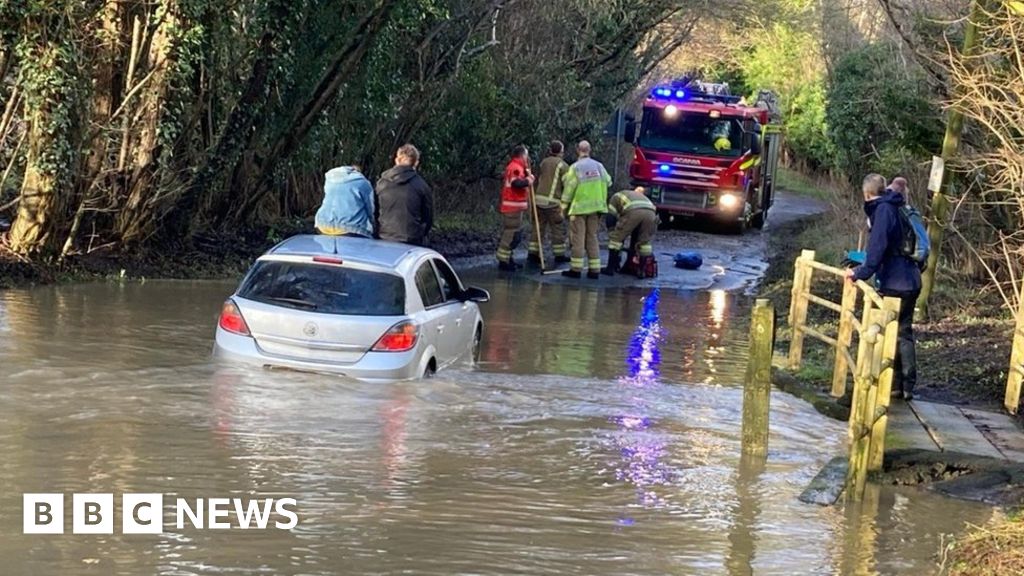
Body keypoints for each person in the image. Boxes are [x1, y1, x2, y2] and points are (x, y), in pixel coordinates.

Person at [846, 173, 921, 400]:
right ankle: (904, 386)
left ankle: (888, 382)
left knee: (888, 331)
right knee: (903, 332)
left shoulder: (883, 211)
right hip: (911, 278)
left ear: (867, 193)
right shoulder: (896, 206)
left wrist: (858, 273)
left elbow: (877, 248)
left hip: (894, 281)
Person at [561, 140, 611, 279]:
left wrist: (563, 207)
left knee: (578, 238)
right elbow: (609, 181)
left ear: (578, 150)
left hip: (580, 209)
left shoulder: (576, 168)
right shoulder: (599, 166)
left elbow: (569, 189)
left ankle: (576, 269)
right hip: (596, 208)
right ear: (589, 150)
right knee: (592, 237)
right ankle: (594, 270)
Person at [376, 144, 434, 246]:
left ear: (397, 160)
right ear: (416, 163)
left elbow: (374, 211)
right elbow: (428, 218)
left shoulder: (381, 183)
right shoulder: (422, 185)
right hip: (412, 239)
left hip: (384, 237)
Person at [528, 141, 570, 266]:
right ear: (560, 151)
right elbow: (567, 184)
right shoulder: (563, 165)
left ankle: (533, 253)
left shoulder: (544, 162)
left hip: (538, 200)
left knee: (538, 228)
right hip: (553, 203)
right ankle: (559, 255)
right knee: (557, 229)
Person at [603, 187, 657, 276]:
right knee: (644, 242)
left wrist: (612, 232)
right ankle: (641, 271)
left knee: (615, 240)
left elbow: (610, 217)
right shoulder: (634, 196)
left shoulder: (615, 197)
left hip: (634, 212)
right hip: (651, 214)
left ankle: (610, 269)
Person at [496, 145, 534, 271]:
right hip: (512, 207)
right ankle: (504, 261)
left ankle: (508, 259)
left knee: (514, 234)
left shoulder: (516, 167)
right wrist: (528, 180)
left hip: (514, 206)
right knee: (511, 234)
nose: (527, 158)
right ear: (522, 155)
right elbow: (516, 183)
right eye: (526, 155)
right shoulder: (515, 167)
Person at [315, 165, 375, 238]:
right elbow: (370, 208)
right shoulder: (363, 182)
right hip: (351, 228)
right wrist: (374, 224)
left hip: (322, 225)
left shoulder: (330, 180)